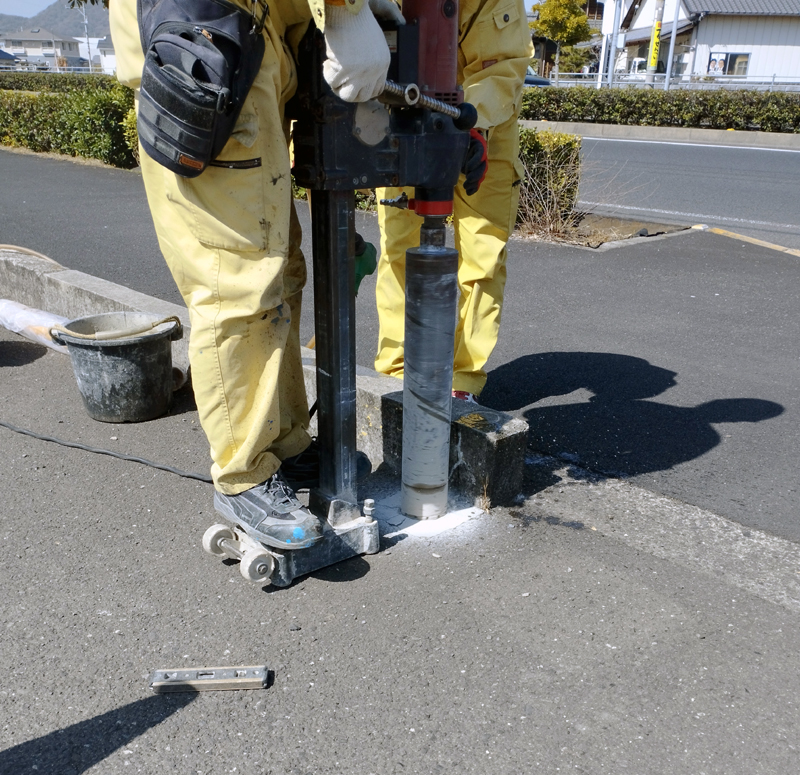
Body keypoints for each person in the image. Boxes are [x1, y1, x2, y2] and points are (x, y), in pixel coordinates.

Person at [110, 0, 402, 550]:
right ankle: (243, 473)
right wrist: (342, 7)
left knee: (279, 268)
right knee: (237, 277)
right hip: (212, 39)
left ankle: (283, 444)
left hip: (253, 47)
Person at [374, 0, 533, 403]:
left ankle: (462, 378)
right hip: (401, 117)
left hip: (485, 126)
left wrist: (467, 120)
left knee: (483, 253)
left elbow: (502, 67)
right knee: (399, 250)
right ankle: (395, 372)